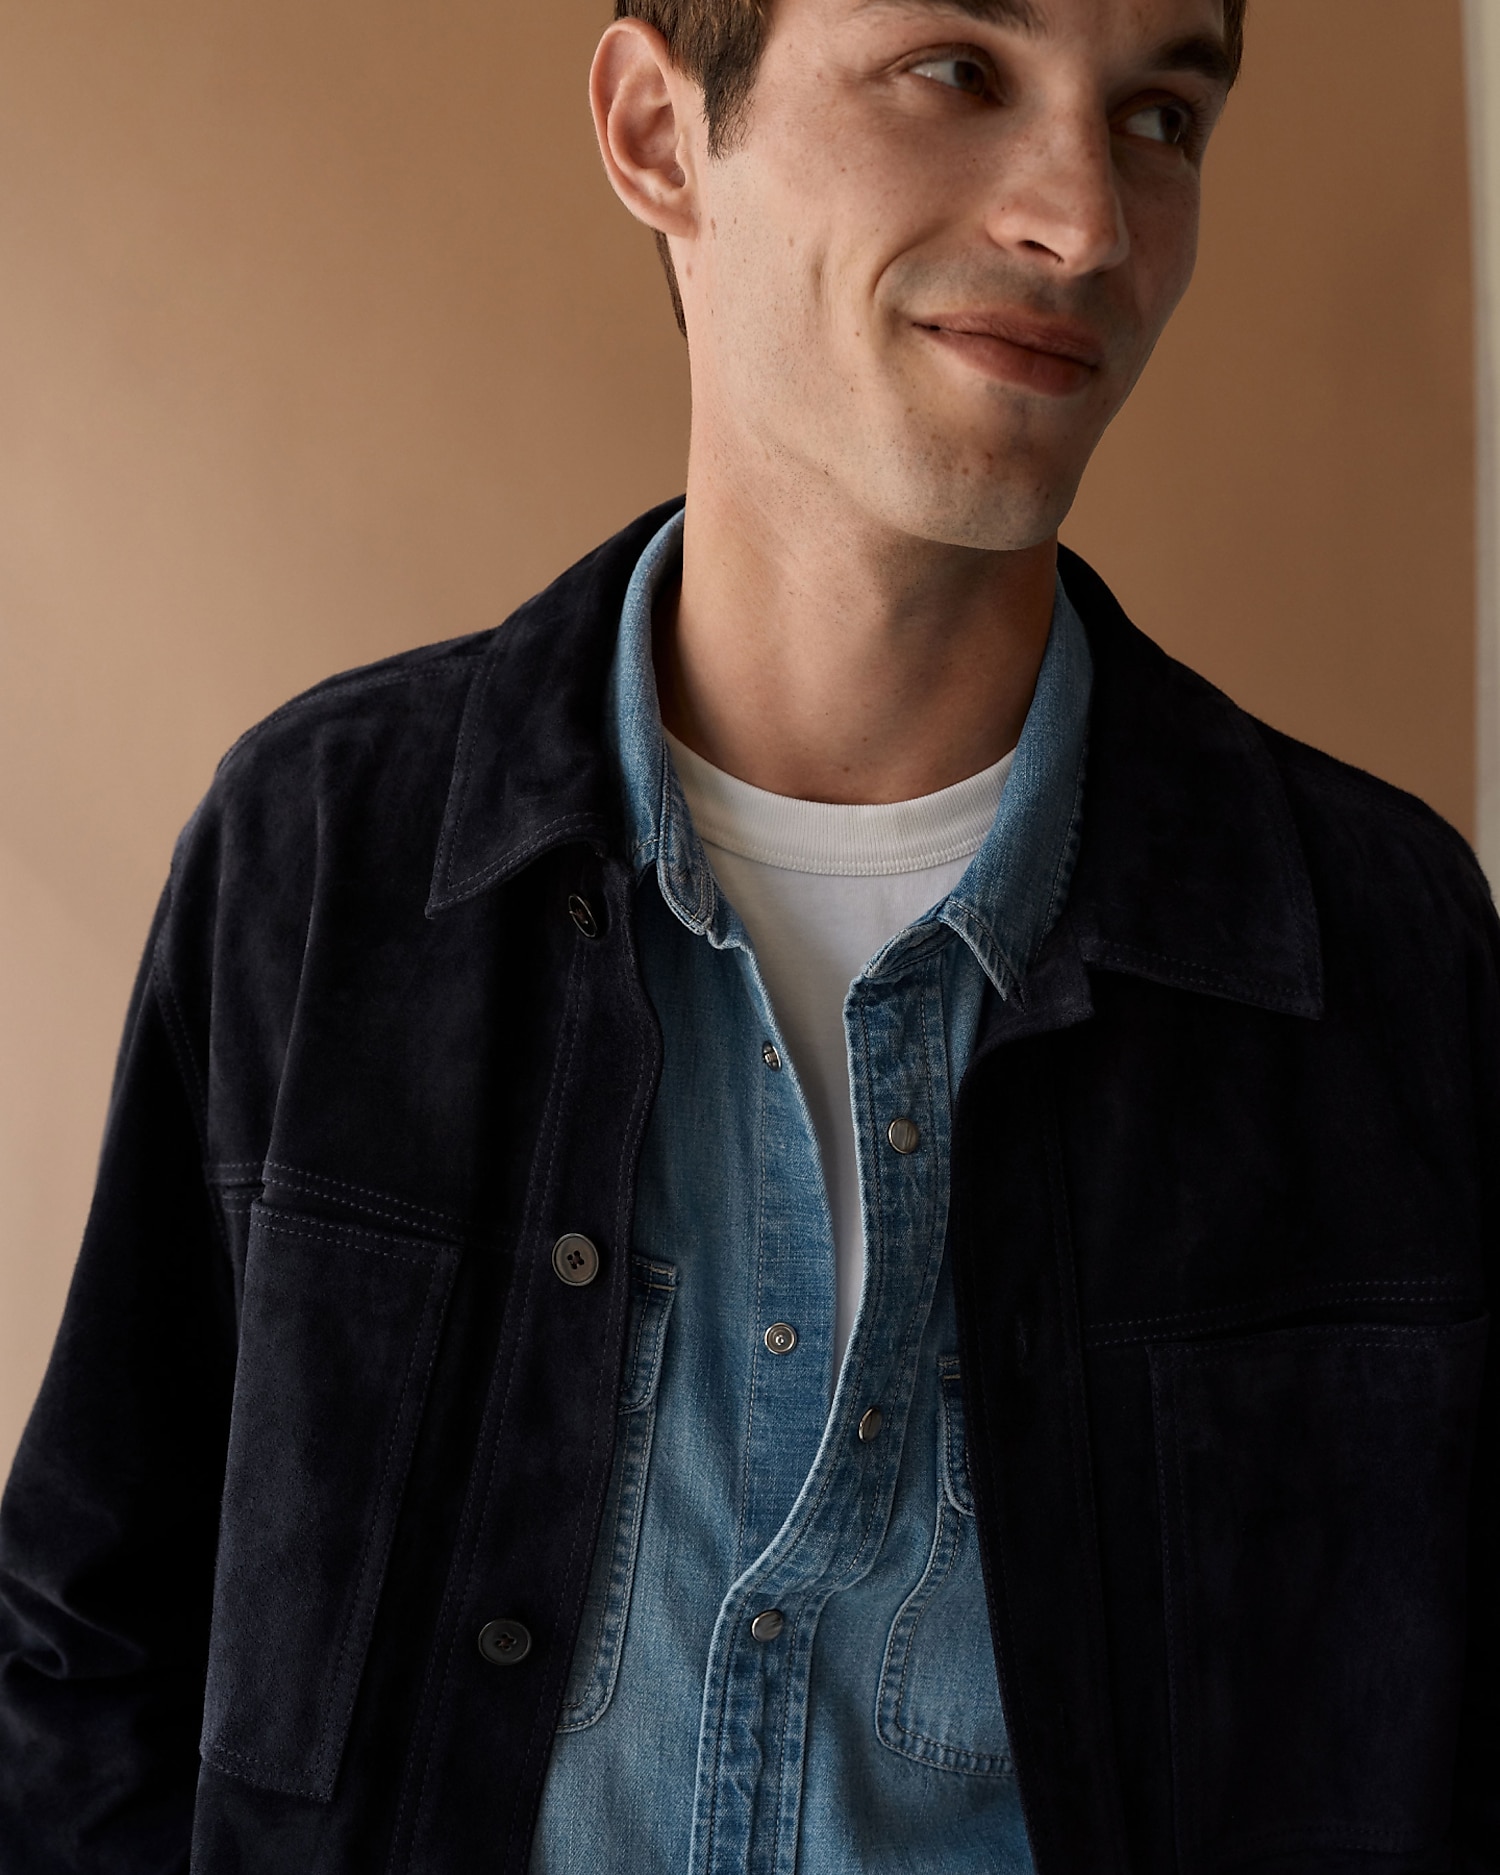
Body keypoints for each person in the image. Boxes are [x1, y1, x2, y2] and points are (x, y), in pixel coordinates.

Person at [1, 0, 1495, 1868]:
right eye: (958, 70)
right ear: (654, 129)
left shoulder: (1381, 956)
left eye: (1163, 114)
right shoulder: (325, 859)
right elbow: (83, 1663)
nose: (1090, 221)